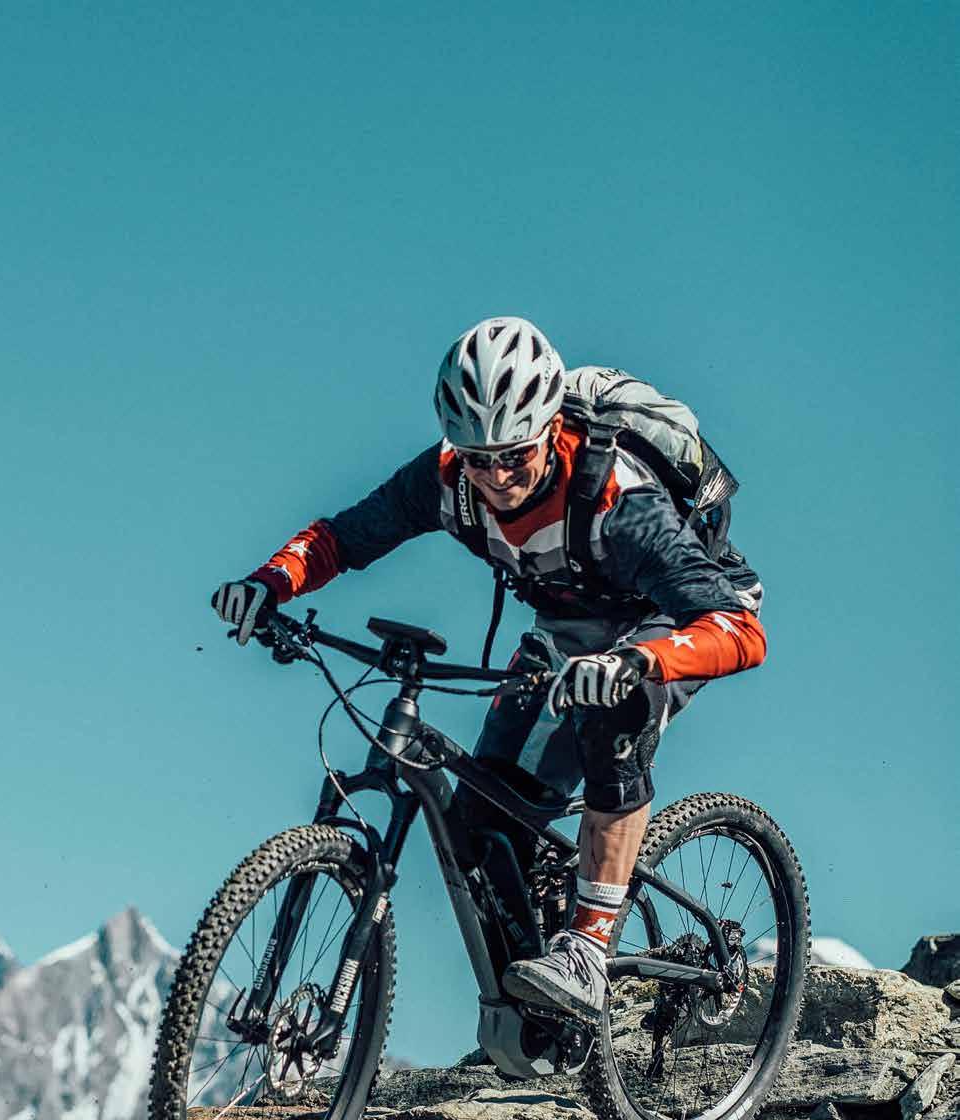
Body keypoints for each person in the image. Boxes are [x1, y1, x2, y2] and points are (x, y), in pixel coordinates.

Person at [212, 317, 766, 1026]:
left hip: (676, 619)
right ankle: (540, 999)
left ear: (549, 428)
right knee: (484, 812)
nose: (497, 478)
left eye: (514, 456)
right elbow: (342, 538)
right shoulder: (448, 480)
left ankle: (588, 950)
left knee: (610, 717)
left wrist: (637, 661)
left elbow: (739, 629)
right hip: (568, 628)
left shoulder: (618, 501)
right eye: (479, 459)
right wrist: (269, 584)